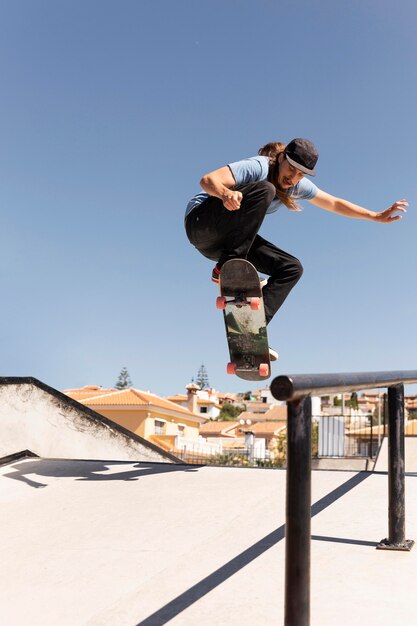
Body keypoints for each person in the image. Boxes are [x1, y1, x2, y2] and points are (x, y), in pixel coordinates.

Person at [184, 138, 408, 360]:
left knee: (291, 268)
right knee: (266, 190)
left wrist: (375, 216)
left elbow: (334, 203)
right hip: (200, 223)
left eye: (301, 174)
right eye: (291, 169)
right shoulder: (259, 166)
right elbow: (207, 180)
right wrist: (225, 194)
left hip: (223, 244)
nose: (293, 179)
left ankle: (250, 330)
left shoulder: (298, 185)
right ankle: (227, 268)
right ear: (281, 158)